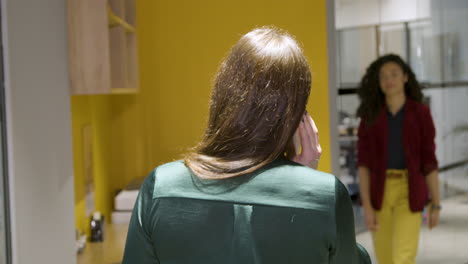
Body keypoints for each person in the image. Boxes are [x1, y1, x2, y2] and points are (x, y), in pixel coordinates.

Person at [122, 27, 370, 264]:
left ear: (222, 96)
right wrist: (306, 179)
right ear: (296, 117)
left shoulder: (159, 187)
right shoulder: (325, 195)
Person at [356, 54, 440, 264]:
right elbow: (363, 165)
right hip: (379, 193)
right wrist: (366, 207)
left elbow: (429, 161)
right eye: (383, 76)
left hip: (409, 191)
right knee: (385, 258)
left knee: (403, 258)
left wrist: (436, 203)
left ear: (405, 78)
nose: (388, 80)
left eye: (394, 74)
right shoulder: (370, 116)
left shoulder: (420, 113)